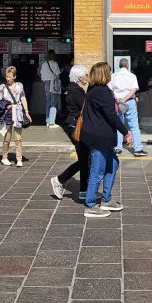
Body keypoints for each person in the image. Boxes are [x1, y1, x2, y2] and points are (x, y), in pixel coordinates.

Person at [80, 62, 128, 218]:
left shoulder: (95, 90)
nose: (111, 74)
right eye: (109, 72)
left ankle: (106, 199)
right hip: (99, 136)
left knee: (113, 163)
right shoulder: (101, 92)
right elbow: (111, 116)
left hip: (101, 136)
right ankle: (90, 205)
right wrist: (126, 133)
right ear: (104, 74)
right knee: (97, 171)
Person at [50, 65, 90, 201]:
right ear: (80, 78)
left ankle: (83, 190)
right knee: (85, 159)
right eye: (86, 75)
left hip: (73, 125)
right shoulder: (76, 90)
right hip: (75, 127)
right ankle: (61, 180)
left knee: (85, 159)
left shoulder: (74, 89)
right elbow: (87, 107)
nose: (87, 77)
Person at [0, 66, 31, 167]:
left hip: (18, 112)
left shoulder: (19, 86)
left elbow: (23, 98)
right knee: (7, 137)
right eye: (6, 76)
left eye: (10, 77)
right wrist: (6, 106)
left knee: (18, 138)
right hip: (7, 113)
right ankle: (4, 157)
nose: (8, 79)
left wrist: (27, 112)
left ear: (14, 76)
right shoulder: (2, 87)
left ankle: (19, 159)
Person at [109, 58, 145, 157]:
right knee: (134, 126)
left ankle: (118, 148)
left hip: (117, 102)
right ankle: (138, 149)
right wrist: (124, 99)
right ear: (127, 65)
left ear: (119, 65)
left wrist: (118, 100)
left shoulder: (113, 76)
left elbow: (110, 90)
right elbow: (134, 90)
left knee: (118, 124)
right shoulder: (132, 76)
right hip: (129, 102)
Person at [40, 50, 61, 127]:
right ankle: (52, 122)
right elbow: (58, 75)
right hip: (53, 84)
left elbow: (42, 75)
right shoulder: (55, 64)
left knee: (48, 102)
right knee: (53, 103)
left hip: (46, 83)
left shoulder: (44, 64)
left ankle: (47, 121)